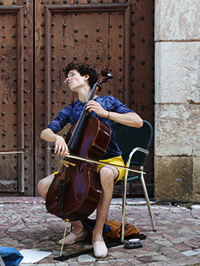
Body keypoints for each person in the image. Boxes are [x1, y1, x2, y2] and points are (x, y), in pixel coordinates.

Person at [37, 62, 143, 258]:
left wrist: (106, 114)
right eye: (67, 76)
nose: (67, 79)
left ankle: (97, 235)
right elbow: (46, 132)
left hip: (110, 161)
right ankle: (79, 229)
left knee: (105, 172)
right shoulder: (72, 109)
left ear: (86, 77)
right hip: (80, 164)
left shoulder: (108, 102)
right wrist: (57, 137)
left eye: (72, 74)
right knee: (44, 186)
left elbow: (137, 121)